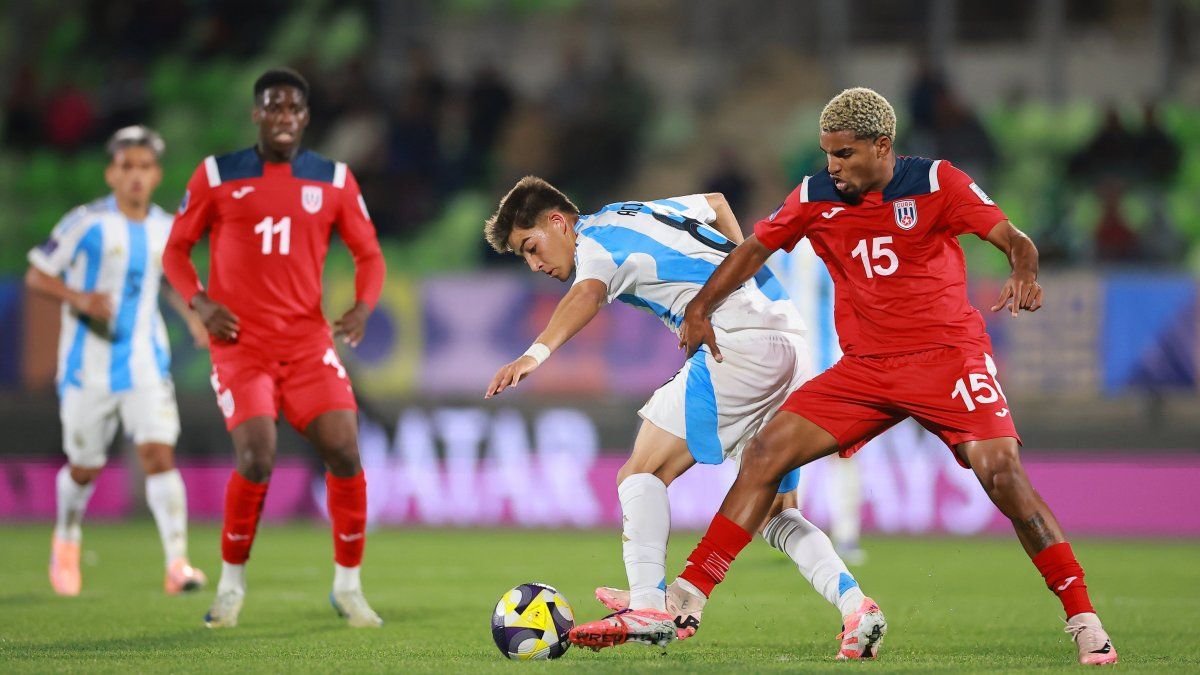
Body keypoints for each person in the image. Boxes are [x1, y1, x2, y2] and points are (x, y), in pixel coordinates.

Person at [616, 87, 1116, 665]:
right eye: (827, 153)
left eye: (845, 154)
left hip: (947, 358)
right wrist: (701, 307)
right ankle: (690, 593)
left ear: (882, 146)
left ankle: (1083, 617)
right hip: (866, 370)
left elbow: (1014, 239)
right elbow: (754, 249)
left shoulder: (937, 182)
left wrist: (1023, 270)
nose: (833, 166)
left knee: (1001, 474)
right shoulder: (815, 195)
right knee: (766, 453)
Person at [482, 177, 886, 659]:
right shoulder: (630, 212)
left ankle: (648, 607)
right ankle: (857, 607)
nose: (535, 264)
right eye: (524, 258)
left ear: (557, 222)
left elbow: (586, 295)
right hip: (790, 340)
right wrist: (741, 272)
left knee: (642, 471)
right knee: (775, 511)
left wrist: (534, 355)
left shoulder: (594, 244)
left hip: (737, 343)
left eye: (531, 247)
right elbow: (716, 203)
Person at [162, 69, 387, 629]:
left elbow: (369, 254)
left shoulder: (334, 179)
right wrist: (200, 303)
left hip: (308, 344)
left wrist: (363, 306)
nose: (284, 116)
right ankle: (231, 587)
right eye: (273, 107)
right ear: (257, 114)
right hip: (241, 346)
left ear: (305, 117)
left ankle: (349, 588)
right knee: (257, 456)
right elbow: (176, 250)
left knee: (345, 450)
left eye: (293, 108)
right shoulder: (217, 174)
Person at [26, 125, 208, 597]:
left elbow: (170, 279)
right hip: (87, 365)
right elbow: (38, 274)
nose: (136, 176)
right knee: (84, 466)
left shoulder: (166, 228)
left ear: (157, 174)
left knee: (158, 455)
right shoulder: (85, 223)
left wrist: (193, 317)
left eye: (145, 167)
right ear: (111, 173)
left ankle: (178, 564)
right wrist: (80, 298)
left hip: (145, 361)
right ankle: (66, 539)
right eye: (127, 166)